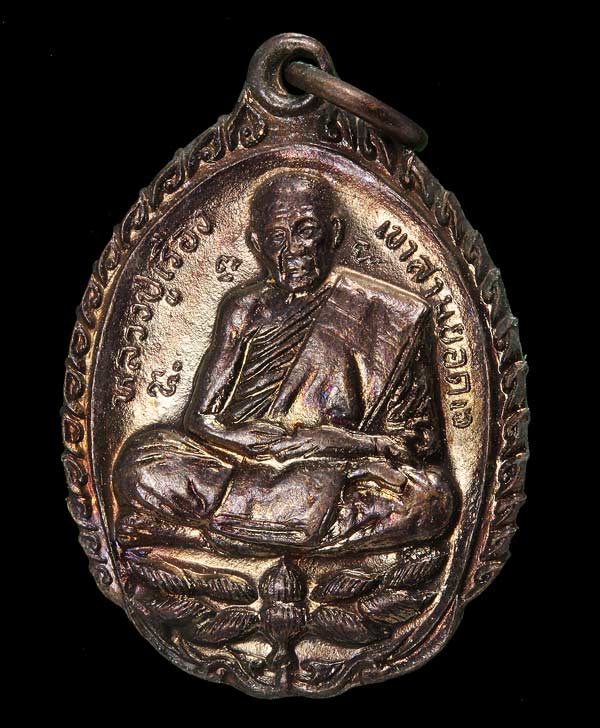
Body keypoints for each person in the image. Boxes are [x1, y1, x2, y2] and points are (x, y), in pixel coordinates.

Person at [114, 172, 454, 555]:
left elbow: (417, 442)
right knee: (141, 461)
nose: (293, 251)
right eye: (277, 238)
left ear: (334, 233)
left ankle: (195, 536)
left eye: (305, 231)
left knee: (432, 499)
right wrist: (240, 439)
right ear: (256, 244)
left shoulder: (387, 316)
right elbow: (202, 419)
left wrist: (337, 442)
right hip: (243, 463)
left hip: (336, 467)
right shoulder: (245, 309)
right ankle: (285, 532)